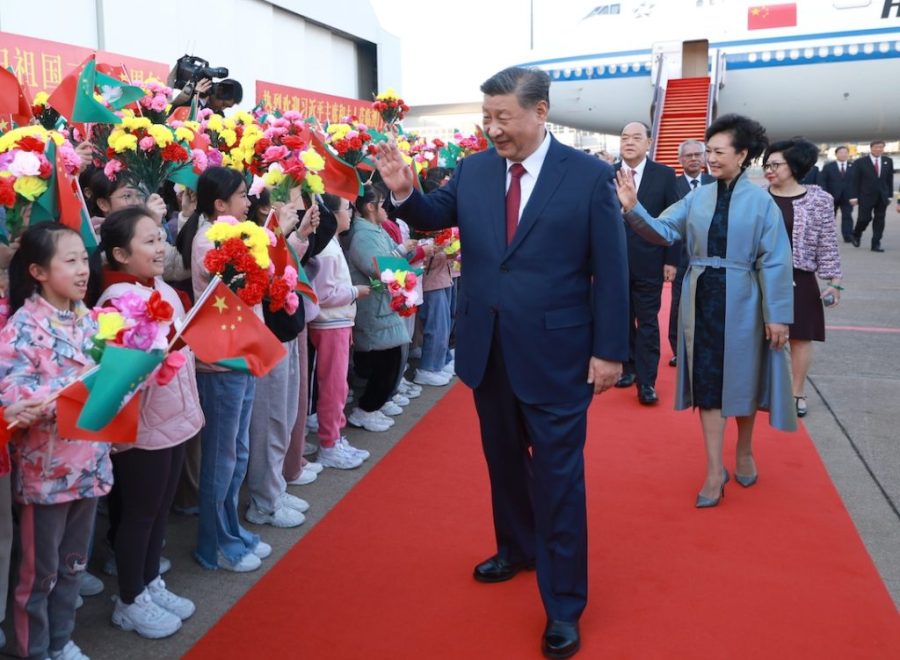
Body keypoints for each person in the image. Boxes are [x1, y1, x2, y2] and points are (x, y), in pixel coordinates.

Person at [375, 66, 629, 659]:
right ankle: (516, 547)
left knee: (559, 481)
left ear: (540, 113)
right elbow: (432, 214)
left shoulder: (589, 176)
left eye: (503, 117)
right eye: (486, 117)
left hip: (559, 355)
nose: (493, 129)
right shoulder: (475, 169)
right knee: (504, 464)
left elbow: (611, 270)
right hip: (489, 351)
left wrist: (610, 350)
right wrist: (404, 190)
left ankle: (564, 604)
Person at [615, 113, 796, 509]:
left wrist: (777, 313)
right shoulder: (697, 196)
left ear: (742, 154)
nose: (709, 158)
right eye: (708, 150)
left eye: (718, 151)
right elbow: (662, 231)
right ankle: (715, 469)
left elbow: (777, 260)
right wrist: (632, 209)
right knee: (708, 384)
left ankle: (744, 450)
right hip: (700, 299)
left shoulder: (761, 201)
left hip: (746, 298)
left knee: (745, 379)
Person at [0, 223, 112, 660]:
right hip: (45, 474)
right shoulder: (21, 330)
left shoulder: (92, 319)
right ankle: (32, 649)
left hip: (91, 465)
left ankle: (62, 642)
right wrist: (76, 386)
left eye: (84, 259)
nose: (84, 269)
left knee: (71, 567)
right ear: (38, 271)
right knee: (38, 574)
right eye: (70, 261)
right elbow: (13, 396)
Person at [93, 207, 203, 639]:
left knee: (158, 511)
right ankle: (130, 599)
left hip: (173, 417)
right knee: (139, 515)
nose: (161, 248)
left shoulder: (161, 289)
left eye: (161, 238)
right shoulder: (116, 303)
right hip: (143, 429)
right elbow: (119, 379)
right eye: (149, 241)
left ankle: (150, 580)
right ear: (120, 253)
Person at [176, 166, 272, 572]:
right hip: (220, 360)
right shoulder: (208, 239)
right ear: (220, 204)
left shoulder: (236, 233)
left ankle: (231, 529)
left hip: (243, 349)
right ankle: (213, 543)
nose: (248, 201)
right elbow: (233, 285)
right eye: (241, 195)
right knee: (222, 455)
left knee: (238, 449)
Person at [763, 139, 843, 418]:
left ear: (795, 166)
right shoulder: (759, 197)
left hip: (800, 276)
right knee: (761, 337)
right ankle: (765, 390)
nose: (769, 170)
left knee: (801, 338)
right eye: (767, 164)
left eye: (776, 164)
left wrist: (833, 281)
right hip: (762, 277)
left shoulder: (819, 199)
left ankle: (797, 392)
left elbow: (827, 243)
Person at [613, 121, 679, 405]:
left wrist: (671, 260)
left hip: (650, 261)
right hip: (614, 262)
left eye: (636, 137)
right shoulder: (606, 173)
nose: (629, 142)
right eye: (625, 137)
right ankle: (626, 368)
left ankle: (647, 381)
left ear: (648, 142)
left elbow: (673, 220)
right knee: (621, 319)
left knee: (648, 322)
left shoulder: (664, 175)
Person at [308, 193, 371, 469]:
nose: (351, 214)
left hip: (338, 321)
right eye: (346, 209)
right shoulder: (325, 247)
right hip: (330, 322)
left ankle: (334, 437)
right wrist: (355, 291)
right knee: (333, 386)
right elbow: (323, 294)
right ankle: (329, 443)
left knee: (338, 385)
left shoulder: (331, 243)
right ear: (333, 215)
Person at [345, 185, 414, 433]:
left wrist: (408, 254)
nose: (385, 207)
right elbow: (379, 268)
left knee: (389, 360)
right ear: (369, 206)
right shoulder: (363, 234)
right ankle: (366, 409)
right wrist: (403, 250)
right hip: (373, 307)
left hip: (383, 305)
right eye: (381, 202)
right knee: (386, 361)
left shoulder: (374, 229)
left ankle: (372, 407)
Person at [668, 140, 714, 367]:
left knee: (708, 304)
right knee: (679, 304)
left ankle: (706, 347)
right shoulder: (672, 186)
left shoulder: (716, 183)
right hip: (681, 256)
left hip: (712, 256)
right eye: (689, 156)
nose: (694, 159)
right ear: (681, 160)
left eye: (698, 154)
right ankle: (678, 349)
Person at [849, 140, 894, 252]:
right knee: (864, 218)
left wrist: (890, 195)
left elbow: (890, 179)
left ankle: (876, 244)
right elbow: (854, 180)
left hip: (882, 196)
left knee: (880, 220)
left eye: (881, 147)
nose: (878, 149)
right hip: (865, 195)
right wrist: (853, 196)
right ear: (871, 148)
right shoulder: (860, 162)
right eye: (876, 147)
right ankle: (856, 233)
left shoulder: (888, 161)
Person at [818, 146, 855, 243]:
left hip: (848, 197)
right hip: (831, 196)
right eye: (841, 152)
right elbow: (822, 181)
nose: (843, 154)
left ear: (848, 154)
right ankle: (828, 236)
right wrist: (825, 194)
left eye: (845, 152)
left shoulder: (854, 166)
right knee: (830, 217)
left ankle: (848, 235)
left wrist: (856, 196)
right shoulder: (828, 167)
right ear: (836, 154)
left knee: (847, 216)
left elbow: (858, 182)